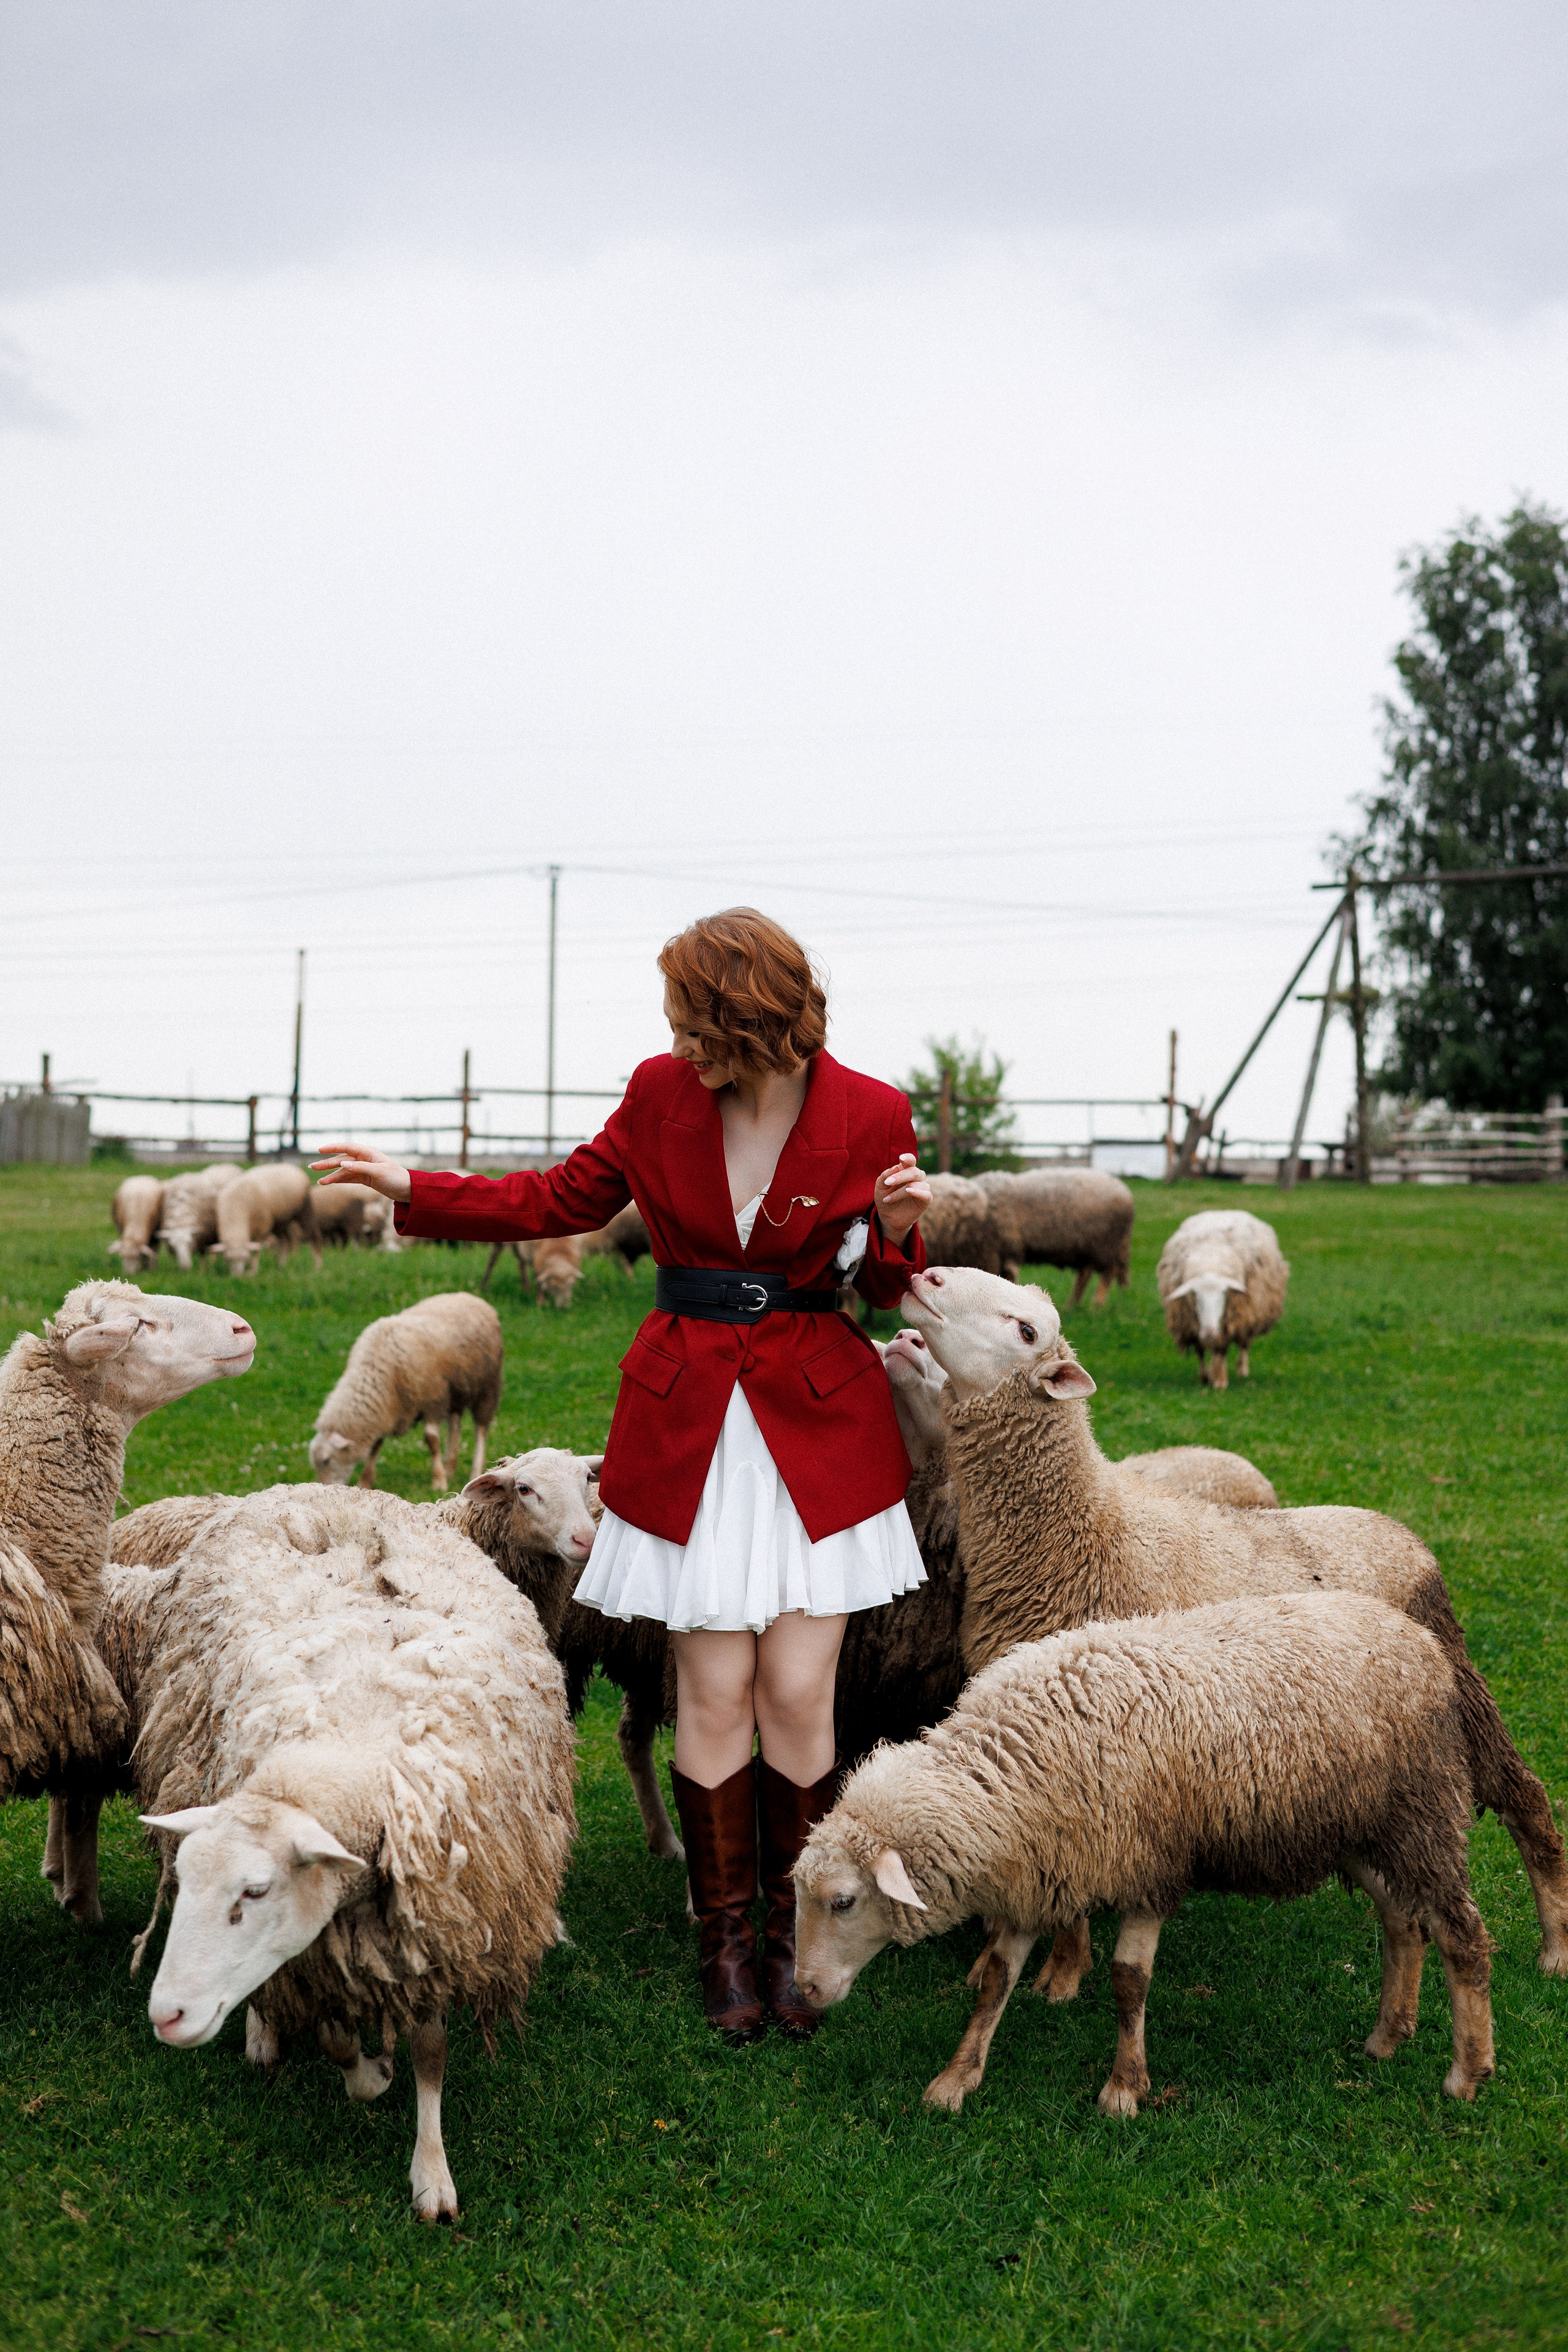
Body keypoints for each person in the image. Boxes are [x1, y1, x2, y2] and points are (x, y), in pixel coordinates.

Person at [314, 907, 931, 2044]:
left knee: (800, 1695)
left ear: (746, 1016)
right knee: (714, 1691)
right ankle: (725, 1946)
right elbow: (553, 1201)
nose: (679, 1038)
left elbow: (888, 1288)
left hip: (817, 1428)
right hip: (688, 1425)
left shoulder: (872, 1111)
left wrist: (897, 1229)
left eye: (693, 1018)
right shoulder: (659, 1094)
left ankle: (796, 1937)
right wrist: (411, 1186)